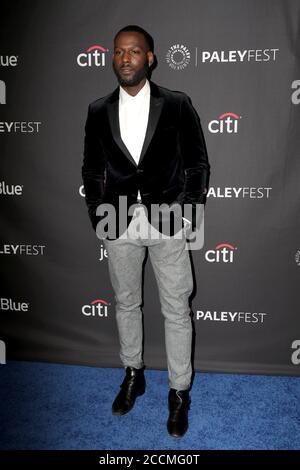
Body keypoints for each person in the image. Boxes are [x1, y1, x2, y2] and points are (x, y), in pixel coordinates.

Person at [82, 25, 210, 438]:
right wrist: (97, 212)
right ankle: (133, 374)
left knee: (176, 308)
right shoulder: (97, 110)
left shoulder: (176, 104)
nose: (124, 58)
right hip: (117, 222)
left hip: (169, 221)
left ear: (150, 58)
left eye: (134, 51)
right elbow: (90, 169)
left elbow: (197, 164)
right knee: (125, 304)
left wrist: (188, 213)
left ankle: (178, 392)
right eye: (118, 51)